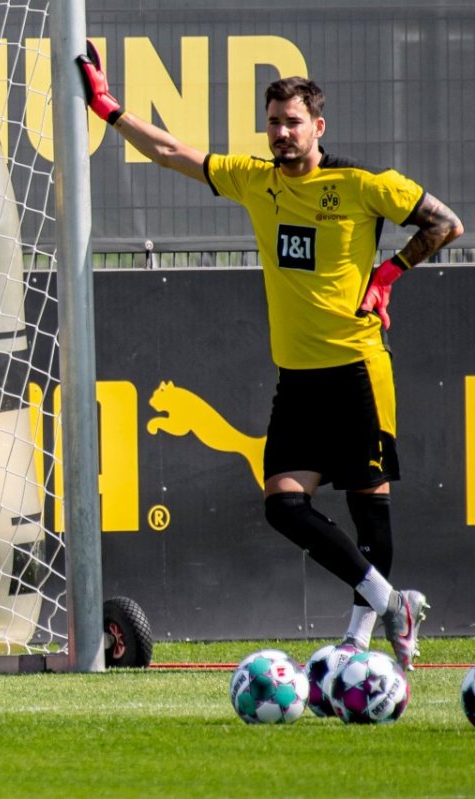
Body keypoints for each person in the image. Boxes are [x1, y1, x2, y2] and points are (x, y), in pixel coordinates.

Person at [78, 44, 463, 670]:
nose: (282, 133)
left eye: (293, 122)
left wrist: (387, 273)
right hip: (298, 379)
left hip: (357, 370)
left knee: (369, 508)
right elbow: (173, 152)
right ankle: (393, 603)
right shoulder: (255, 180)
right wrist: (109, 110)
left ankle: (359, 639)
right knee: (283, 505)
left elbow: (445, 223)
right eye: (274, 123)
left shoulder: (363, 184)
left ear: (318, 126)